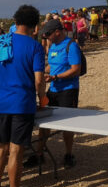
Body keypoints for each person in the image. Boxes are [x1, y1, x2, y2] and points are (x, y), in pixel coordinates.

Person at [0, 4, 46, 187]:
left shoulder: (1, 41)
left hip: (2, 102)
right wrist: (43, 98)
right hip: (22, 103)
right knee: (16, 150)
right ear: (34, 25)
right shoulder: (34, 46)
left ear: (15, 21)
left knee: (2, 146)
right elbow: (39, 80)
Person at [25, 19, 82, 169]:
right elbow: (53, 64)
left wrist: (56, 77)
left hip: (68, 90)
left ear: (58, 31)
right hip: (54, 89)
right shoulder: (52, 46)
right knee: (44, 120)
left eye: (49, 35)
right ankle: (39, 154)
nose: (47, 38)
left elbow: (76, 69)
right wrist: (43, 72)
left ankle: (69, 154)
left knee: (68, 124)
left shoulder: (71, 46)